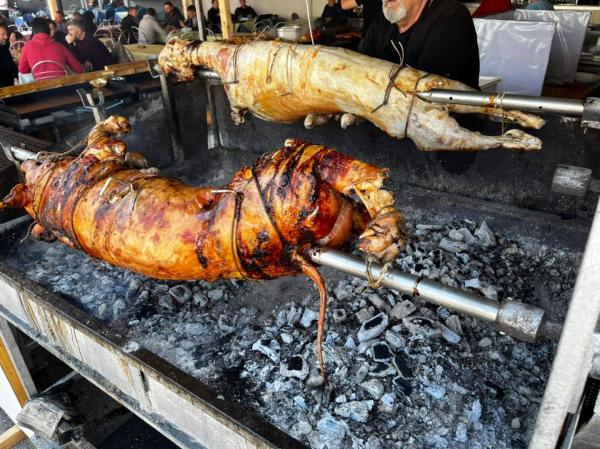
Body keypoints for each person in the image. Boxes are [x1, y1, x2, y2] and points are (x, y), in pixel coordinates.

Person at [359, 0, 480, 89]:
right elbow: (356, 73)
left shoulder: (450, 19)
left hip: (447, 121)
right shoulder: (382, 21)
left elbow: (423, 95)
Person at [19, 18, 84, 79]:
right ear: (48, 31)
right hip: (62, 85)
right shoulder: (60, 46)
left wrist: (37, 69)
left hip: (41, 88)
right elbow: (79, 69)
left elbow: (23, 70)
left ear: (33, 32)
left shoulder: (27, 47)